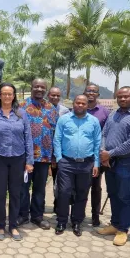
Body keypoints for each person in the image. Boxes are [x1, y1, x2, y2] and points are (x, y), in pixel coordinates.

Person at [98, 86, 130, 246]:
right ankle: (114, 223)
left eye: (126, 97)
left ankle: (123, 229)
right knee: (112, 193)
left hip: (127, 162)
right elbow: (104, 133)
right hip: (109, 161)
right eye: (120, 97)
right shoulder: (114, 113)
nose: (123, 99)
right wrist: (104, 152)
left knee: (124, 196)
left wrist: (109, 153)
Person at [0, 83, 33, 241]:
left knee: (15, 194)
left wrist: (29, 161)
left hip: (18, 159)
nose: (7, 96)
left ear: (14, 96)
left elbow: (28, 139)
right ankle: (0, 225)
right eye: (4, 93)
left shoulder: (21, 114)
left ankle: (13, 225)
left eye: (10, 94)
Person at [54, 95, 101, 237]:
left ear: (88, 105)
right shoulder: (64, 119)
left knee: (82, 193)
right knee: (64, 192)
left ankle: (76, 222)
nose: (80, 105)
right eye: (77, 102)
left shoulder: (93, 121)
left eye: (83, 103)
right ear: (73, 104)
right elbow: (57, 139)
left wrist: (96, 163)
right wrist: (59, 159)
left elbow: (97, 142)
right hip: (67, 162)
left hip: (86, 163)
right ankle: (61, 221)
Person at [19, 79, 58, 230]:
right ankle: (22, 215)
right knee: (23, 187)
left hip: (44, 157)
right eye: (37, 86)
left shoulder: (51, 108)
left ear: (46, 89)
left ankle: (37, 216)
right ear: (31, 87)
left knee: (40, 189)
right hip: (25, 156)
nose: (39, 89)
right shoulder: (21, 106)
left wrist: (54, 156)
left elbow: (56, 133)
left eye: (42, 87)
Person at [85, 84, 110, 226]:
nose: (91, 93)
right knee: (80, 187)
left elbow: (107, 134)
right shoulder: (78, 108)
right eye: (88, 90)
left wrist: (103, 153)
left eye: (94, 91)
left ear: (98, 95)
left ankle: (95, 215)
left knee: (96, 187)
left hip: (96, 155)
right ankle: (78, 214)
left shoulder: (104, 112)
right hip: (80, 154)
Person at [48, 87, 70, 215]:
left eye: (57, 95)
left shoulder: (65, 111)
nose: (55, 98)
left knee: (59, 181)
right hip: (42, 152)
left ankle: (58, 206)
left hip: (59, 152)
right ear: (48, 95)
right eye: (52, 95)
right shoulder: (41, 108)